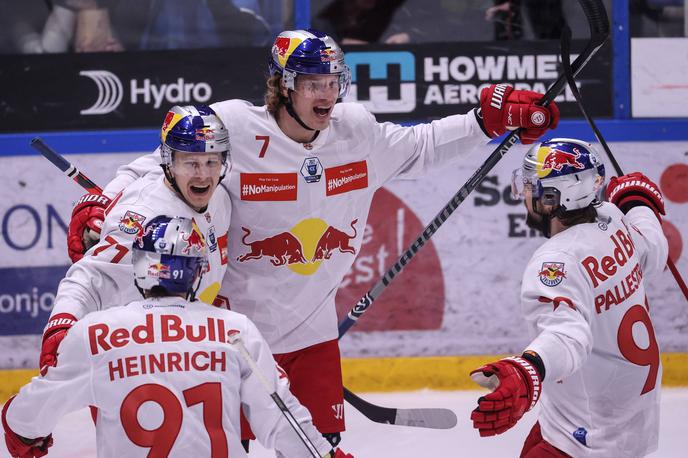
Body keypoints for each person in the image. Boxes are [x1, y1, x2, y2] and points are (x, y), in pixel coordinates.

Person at [65, 28, 560, 448]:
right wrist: (105, 203)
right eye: (310, 84)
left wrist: (488, 122)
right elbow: (156, 166)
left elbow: (420, 145)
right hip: (231, 334)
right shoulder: (234, 128)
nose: (325, 95)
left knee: (320, 449)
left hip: (312, 334)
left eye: (332, 82)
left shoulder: (355, 132)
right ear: (282, 87)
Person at [2, 215, 350, 458]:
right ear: (198, 271)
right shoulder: (234, 330)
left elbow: (26, 417)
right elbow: (283, 421)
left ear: (138, 265)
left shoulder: (96, 333)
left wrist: (20, 430)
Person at [469, 138, 668, 457]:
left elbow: (568, 334)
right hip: (623, 422)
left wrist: (528, 369)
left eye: (532, 187)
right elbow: (653, 252)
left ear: (552, 198)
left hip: (589, 440)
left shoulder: (555, 261)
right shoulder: (613, 218)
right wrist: (637, 203)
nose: (524, 195)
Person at [40, 104, 232, 377]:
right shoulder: (143, 217)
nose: (203, 174)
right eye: (191, 163)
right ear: (170, 162)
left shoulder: (219, 198)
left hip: (190, 352)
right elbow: (90, 277)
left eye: (211, 162)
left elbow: (149, 161)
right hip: (132, 365)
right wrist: (62, 323)